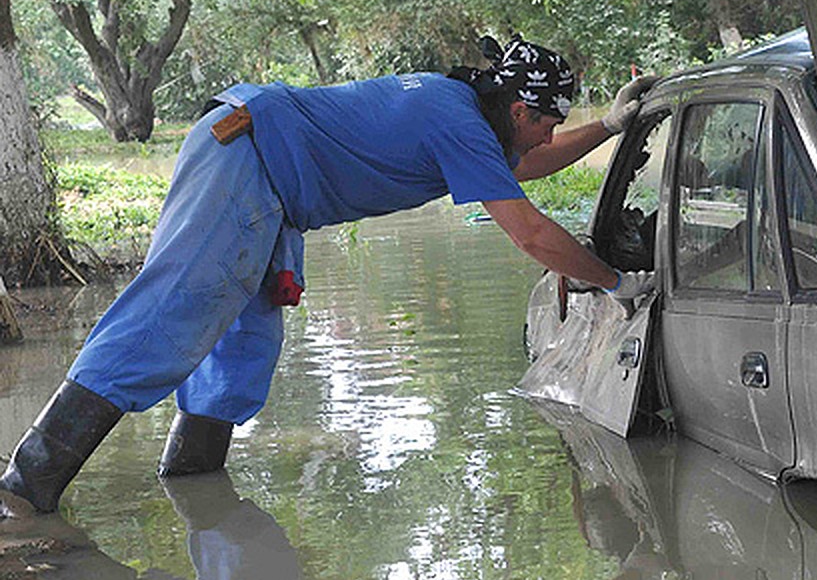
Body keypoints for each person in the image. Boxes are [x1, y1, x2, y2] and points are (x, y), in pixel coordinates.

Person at [1, 36, 657, 514]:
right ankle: (25, 488)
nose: (549, 137)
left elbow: (521, 170)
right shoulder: (458, 120)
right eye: (548, 122)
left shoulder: (466, 117)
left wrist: (609, 125)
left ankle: (195, 488)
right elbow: (533, 232)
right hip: (245, 154)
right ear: (519, 109)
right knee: (170, 316)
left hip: (269, 178)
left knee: (246, 347)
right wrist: (612, 281)